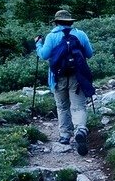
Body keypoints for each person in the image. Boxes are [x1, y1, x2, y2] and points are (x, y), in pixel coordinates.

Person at [35, 9, 94, 155]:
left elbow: (44, 55)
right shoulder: (80, 34)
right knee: (78, 106)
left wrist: (38, 44)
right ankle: (80, 129)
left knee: (62, 106)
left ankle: (65, 136)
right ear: (70, 22)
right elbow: (89, 54)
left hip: (57, 77)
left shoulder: (51, 36)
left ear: (56, 22)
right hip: (77, 76)